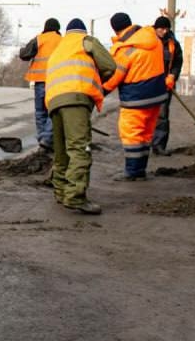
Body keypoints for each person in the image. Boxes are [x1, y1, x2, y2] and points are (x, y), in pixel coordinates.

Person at [45, 19, 116, 214]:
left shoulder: (59, 48)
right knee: (79, 148)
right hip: (76, 98)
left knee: (61, 150)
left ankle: (60, 192)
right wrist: (99, 80)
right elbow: (110, 65)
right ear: (82, 31)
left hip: (53, 101)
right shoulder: (85, 40)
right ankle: (76, 196)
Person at [103, 12, 169, 181]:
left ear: (116, 30)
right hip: (157, 96)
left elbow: (115, 76)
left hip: (136, 98)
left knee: (132, 134)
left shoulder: (126, 49)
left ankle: (132, 172)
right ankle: (140, 170)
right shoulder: (153, 39)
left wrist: (101, 91)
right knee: (146, 134)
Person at [18, 18, 62, 151]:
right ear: (57, 29)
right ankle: (47, 139)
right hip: (57, 81)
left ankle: (42, 139)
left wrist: (21, 50)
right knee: (53, 111)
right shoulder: (63, 41)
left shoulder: (39, 39)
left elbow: (24, 55)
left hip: (40, 81)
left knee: (40, 112)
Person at [151, 15, 184, 155]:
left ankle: (159, 145)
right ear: (155, 28)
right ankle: (141, 144)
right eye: (161, 29)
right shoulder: (148, 41)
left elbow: (177, 62)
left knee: (162, 115)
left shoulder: (173, 43)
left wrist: (172, 76)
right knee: (144, 115)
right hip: (148, 83)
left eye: (166, 29)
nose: (163, 31)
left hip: (165, 85)